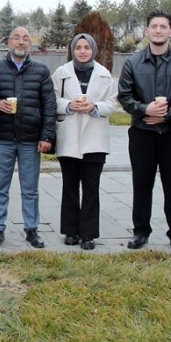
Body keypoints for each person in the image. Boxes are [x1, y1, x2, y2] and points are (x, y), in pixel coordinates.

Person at [117, 10, 171, 254]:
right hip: (143, 133)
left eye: (163, 27)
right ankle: (141, 231)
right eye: (154, 26)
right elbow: (124, 96)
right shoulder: (133, 62)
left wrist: (167, 114)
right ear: (147, 31)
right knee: (142, 184)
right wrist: (145, 109)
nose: (158, 31)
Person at [0, 27, 55, 249]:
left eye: (25, 39)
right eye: (16, 38)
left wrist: (46, 136)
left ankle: (31, 229)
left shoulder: (41, 71)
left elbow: (49, 106)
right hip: (3, 138)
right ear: (9, 42)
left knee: (30, 187)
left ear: (30, 44)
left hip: (31, 139)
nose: (20, 42)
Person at [51, 33, 120, 250]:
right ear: (72, 50)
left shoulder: (104, 74)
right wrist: (69, 106)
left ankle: (89, 234)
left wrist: (95, 107)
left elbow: (112, 103)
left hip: (94, 139)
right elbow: (52, 99)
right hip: (69, 138)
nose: (82, 51)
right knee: (69, 187)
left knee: (91, 189)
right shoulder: (62, 73)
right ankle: (71, 231)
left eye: (86, 48)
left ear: (93, 50)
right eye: (78, 47)